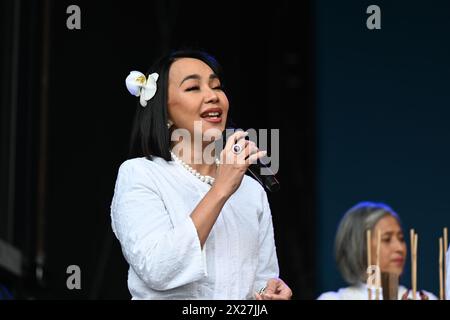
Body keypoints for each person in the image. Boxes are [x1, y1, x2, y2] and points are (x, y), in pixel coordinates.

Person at [110, 49, 292, 300]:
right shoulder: (141, 174)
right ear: (164, 112)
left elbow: (262, 279)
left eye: (216, 86)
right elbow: (157, 269)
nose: (212, 96)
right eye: (193, 88)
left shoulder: (251, 190)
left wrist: (268, 292)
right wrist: (220, 190)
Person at [317, 201, 437, 300]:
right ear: (360, 246)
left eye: (401, 238)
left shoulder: (423, 298)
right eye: (387, 239)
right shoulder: (336, 298)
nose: (400, 248)